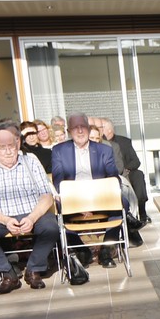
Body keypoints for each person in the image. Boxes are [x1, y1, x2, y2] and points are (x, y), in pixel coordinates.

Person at [0, 122, 58, 294]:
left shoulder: (31, 163)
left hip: (32, 212)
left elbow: (46, 197)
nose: (8, 151)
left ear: (17, 144)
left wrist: (32, 218)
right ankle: (7, 273)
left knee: (51, 227)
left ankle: (34, 269)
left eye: (11, 146)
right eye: (2, 147)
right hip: (0, 216)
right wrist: (6, 220)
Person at [51, 112, 124, 268]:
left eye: (83, 127)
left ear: (89, 129)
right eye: (75, 128)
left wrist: (95, 200)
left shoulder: (104, 150)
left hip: (100, 196)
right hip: (72, 198)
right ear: (69, 131)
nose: (79, 131)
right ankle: (81, 250)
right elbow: (58, 181)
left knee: (122, 203)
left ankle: (106, 250)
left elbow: (113, 178)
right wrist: (77, 203)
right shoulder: (59, 150)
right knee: (57, 210)